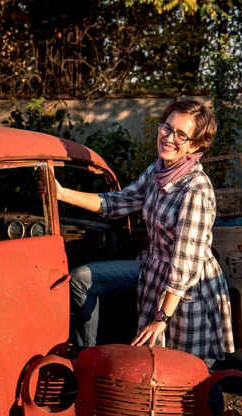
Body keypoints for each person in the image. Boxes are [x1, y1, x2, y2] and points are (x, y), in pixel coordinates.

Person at [56, 100, 235, 369]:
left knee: (191, 374)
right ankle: (88, 366)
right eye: (167, 127)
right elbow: (117, 202)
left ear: (196, 146)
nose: (169, 137)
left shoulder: (195, 189)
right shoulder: (157, 171)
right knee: (81, 279)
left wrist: (161, 318)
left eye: (181, 134)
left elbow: (184, 264)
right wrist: (61, 193)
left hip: (188, 288)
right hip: (154, 268)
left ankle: (216, 409)